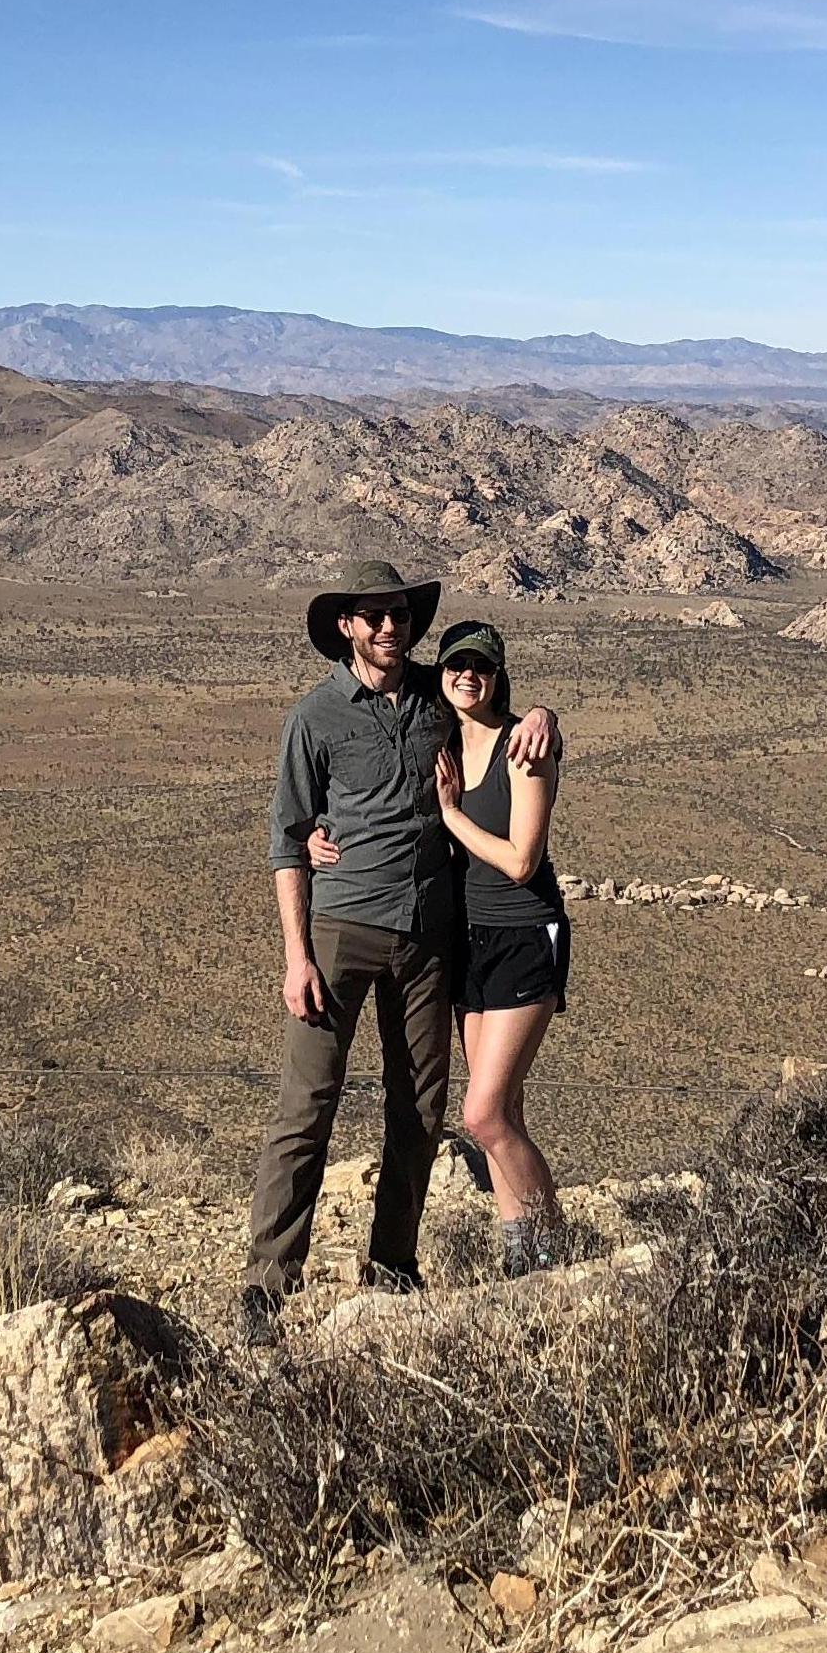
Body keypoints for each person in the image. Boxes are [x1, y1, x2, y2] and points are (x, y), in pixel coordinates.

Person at [244, 557, 556, 1347]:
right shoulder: (313, 718)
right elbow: (287, 839)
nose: (390, 628)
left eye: (400, 615)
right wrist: (295, 956)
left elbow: (503, 717)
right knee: (305, 1109)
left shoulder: (435, 697)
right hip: (340, 933)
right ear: (346, 626)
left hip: (429, 937)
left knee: (417, 1112)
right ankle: (266, 1286)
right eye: (373, 615)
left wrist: (547, 711)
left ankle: (393, 1268)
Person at [427, 619, 571, 1273]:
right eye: (456, 662)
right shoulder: (441, 739)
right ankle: (522, 1256)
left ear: (497, 674)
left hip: (524, 934)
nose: (467, 674)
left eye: (480, 665)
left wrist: (454, 815)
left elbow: (521, 860)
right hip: (470, 940)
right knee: (506, 1108)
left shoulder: (526, 746)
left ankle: (552, 1248)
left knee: (483, 1114)